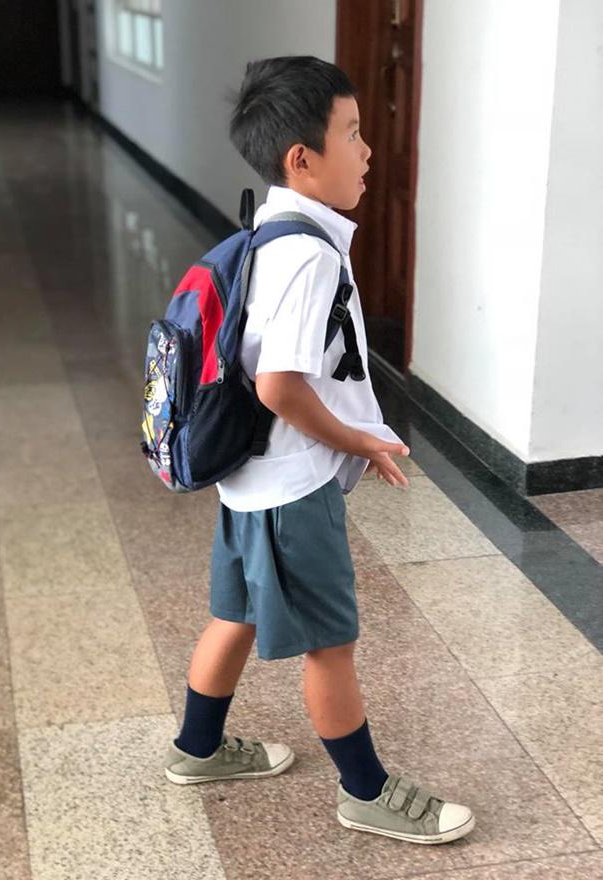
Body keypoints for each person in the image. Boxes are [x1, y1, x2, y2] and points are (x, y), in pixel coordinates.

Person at [164, 56, 475, 845]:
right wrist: (358, 439)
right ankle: (365, 792)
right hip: (290, 486)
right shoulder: (307, 255)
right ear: (302, 159)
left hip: (247, 479)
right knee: (331, 646)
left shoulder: (270, 230)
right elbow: (279, 386)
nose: (368, 150)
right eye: (354, 133)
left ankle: (198, 748)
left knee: (234, 615)